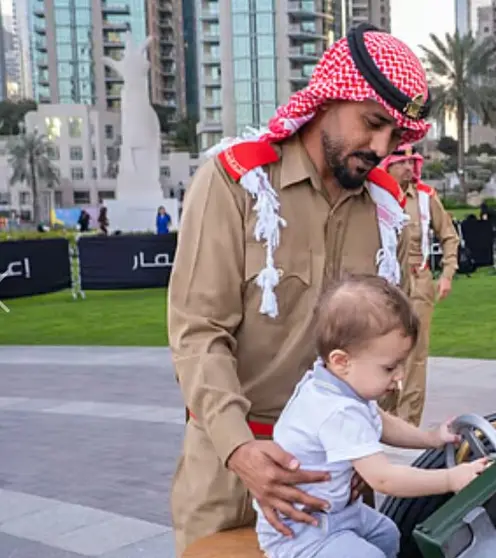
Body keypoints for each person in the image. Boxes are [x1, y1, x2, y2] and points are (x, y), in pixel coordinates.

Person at [167, 22, 434, 554]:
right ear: (328, 99)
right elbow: (199, 333)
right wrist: (239, 450)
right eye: (372, 123)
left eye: (395, 134)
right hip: (232, 469)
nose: (381, 147)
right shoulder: (237, 184)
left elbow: (397, 343)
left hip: (339, 476)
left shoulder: (386, 212)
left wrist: (371, 448)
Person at [255, 275, 486, 558]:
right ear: (342, 361)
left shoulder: (336, 385)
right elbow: (384, 479)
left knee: (387, 534)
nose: (400, 376)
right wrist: (450, 479)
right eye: (389, 368)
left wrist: (431, 438)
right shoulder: (337, 410)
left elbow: (381, 422)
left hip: (336, 513)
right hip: (302, 531)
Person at [376, 144, 460, 427]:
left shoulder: (425, 196)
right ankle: (381, 416)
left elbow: (449, 235)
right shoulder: (374, 195)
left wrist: (447, 273)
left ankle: (408, 422)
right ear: (388, 165)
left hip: (418, 280)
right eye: (402, 163)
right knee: (381, 347)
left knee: (416, 353)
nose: (409, 168)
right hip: (384, 284)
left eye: (413, 162)